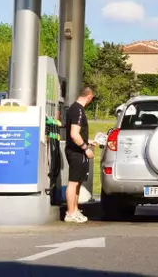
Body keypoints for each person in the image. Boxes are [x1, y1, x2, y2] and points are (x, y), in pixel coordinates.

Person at [64, 86, 95, 224]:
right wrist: (86, 148)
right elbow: (74, 134)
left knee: (78, 182)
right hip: (76, 152)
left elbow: (76, 134)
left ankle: (75, 210)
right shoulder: (78, 110)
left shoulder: (74, 108)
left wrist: (89, 141)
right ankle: (70, 213)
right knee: (73, 182)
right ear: (89, 97)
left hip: (77, 150)